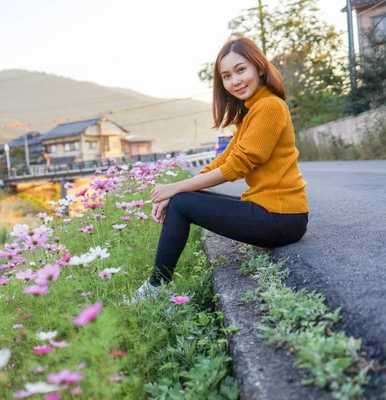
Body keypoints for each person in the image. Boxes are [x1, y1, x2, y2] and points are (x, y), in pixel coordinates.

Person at [127, 36, 309, 304]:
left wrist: (175, 188)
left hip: (283, 218)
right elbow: (223, 160)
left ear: (259, 67)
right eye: (226, 76)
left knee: (182, 202)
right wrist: (173, 192)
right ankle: (157, 284)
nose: (234, 81)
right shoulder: (254, 112)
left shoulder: (270, 106)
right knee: (180, 200)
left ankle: (156, 286)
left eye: (240, 70)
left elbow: (238, 166)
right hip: (273, 213)